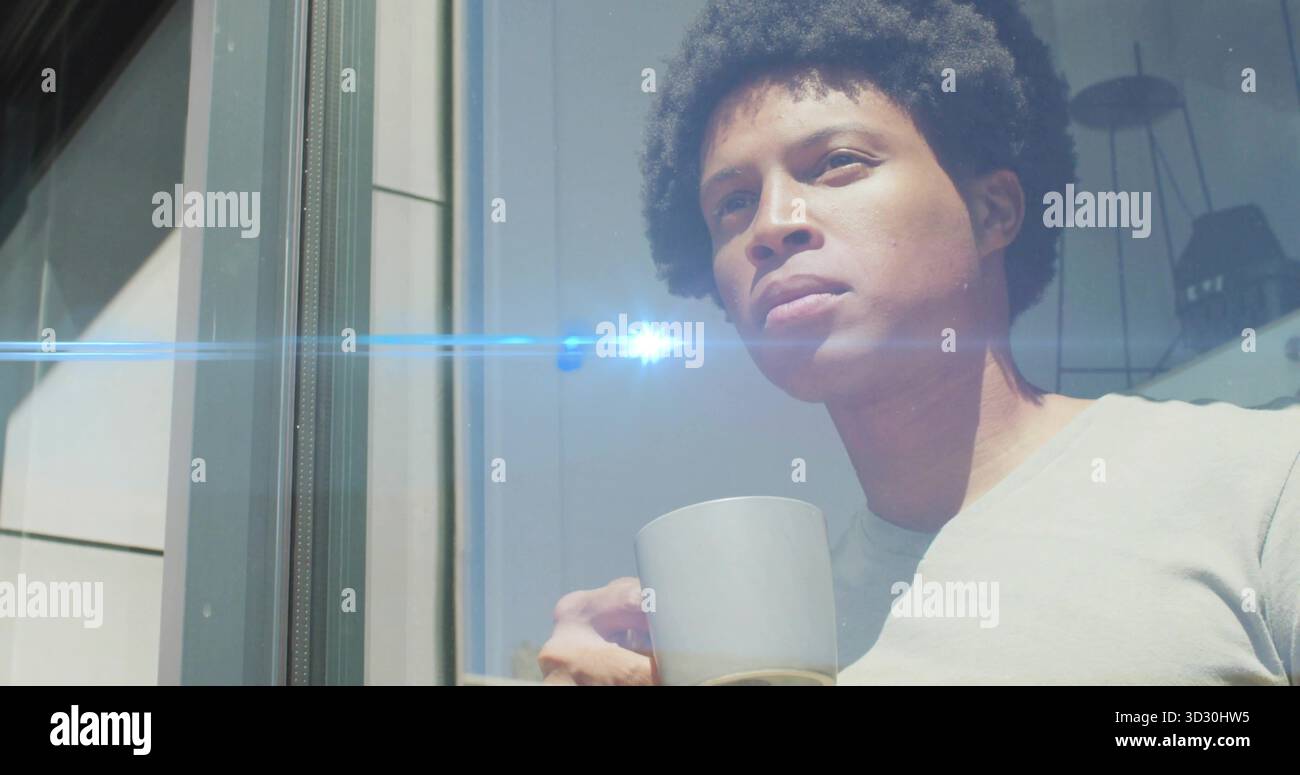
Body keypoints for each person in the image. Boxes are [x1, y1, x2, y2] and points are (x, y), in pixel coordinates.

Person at [537, 0, 1300, 685]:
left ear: (993, 211)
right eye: (732, 204)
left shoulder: (1261, 485)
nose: (771, 223)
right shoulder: (789, 643)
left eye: (837, 162)